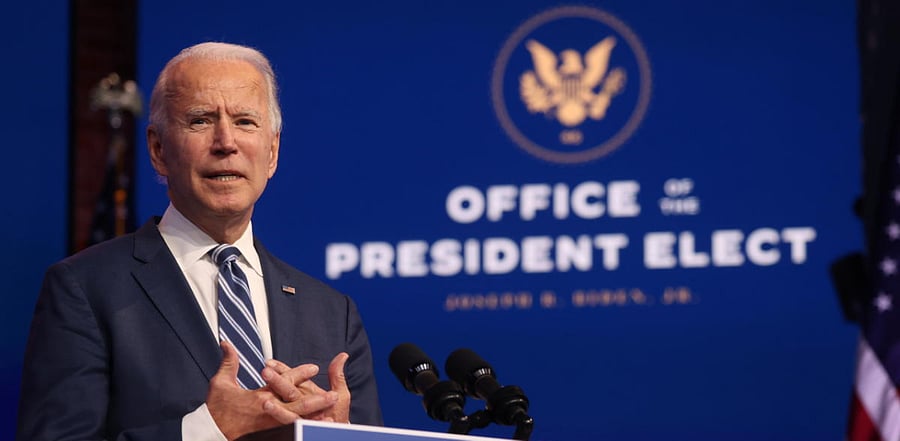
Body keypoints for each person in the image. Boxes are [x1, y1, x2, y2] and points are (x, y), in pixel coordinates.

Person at [16, 42, 383, 441]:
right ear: (158, 150)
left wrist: (339, 437)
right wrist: (207, 429)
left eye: (245, 122)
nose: (226, 142)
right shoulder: (85, 289)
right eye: (200, 121)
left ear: (272, 151)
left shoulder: (332, 313)